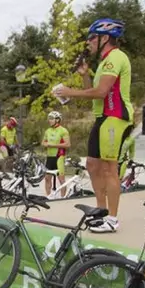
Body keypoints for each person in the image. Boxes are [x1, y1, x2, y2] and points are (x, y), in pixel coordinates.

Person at [54, 18, 132, 233]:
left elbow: (101, 92)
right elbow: (94, 93)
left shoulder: (115, 57)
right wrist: (86, 75)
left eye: (92, 38)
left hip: (115, 117)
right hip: (103, 118)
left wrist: (69, 92)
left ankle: (113, 219)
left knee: (109, 168)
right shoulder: (104, 62)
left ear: (105, 38)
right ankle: (101, 212)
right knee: (91, 164)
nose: (88, 42)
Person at [42, 111, 70, 197]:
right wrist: (45, 144)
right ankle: (48, 196)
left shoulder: (63, 130)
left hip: (59, 157)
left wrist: (52, 145)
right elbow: (43, 142)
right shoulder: (48, 131)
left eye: (51, 118)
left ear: (57, 120)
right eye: (49, 118)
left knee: (61, 179)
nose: (49, 120)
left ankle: (62, 198)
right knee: (47, 178)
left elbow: (68, 144)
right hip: (49, 157)